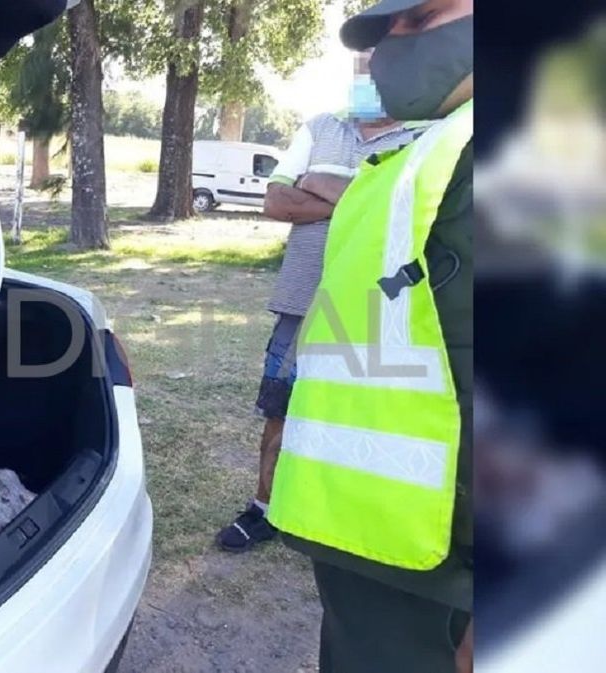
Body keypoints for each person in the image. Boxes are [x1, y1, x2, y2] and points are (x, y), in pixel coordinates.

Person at [266, 1, 473, 672]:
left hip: (430, 546)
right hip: (378, 534)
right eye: (386, 31)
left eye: (421, 19)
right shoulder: (430, 144)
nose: (391, 48)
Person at [215, 52, 421, 553]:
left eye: (380, 66)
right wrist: (367, 197)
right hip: (302, 302)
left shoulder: (423, 138)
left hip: (378, 304)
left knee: (360, 413)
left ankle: (340, 516)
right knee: (280, 407)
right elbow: (275, 201)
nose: (369, 76)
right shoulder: (321, 127)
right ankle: (265, 509)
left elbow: (411, 213)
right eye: (361, 67)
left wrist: (320, 185)